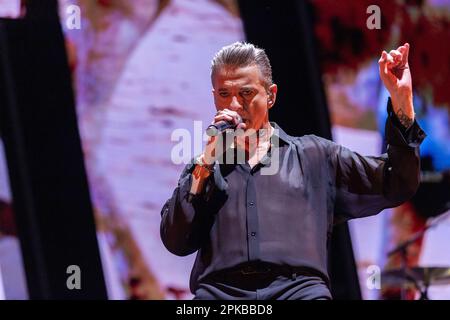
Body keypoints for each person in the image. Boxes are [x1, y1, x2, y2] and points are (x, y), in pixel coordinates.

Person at [160, 42, 426, 300]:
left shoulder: (314, 156)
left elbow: (396, 181)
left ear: (271, 95)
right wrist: (206, 163)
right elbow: (176, 241)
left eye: (246, 93)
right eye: (224, 94)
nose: (234, 106)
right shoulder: (204, 167)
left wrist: (402, 103)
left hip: (298, 292)